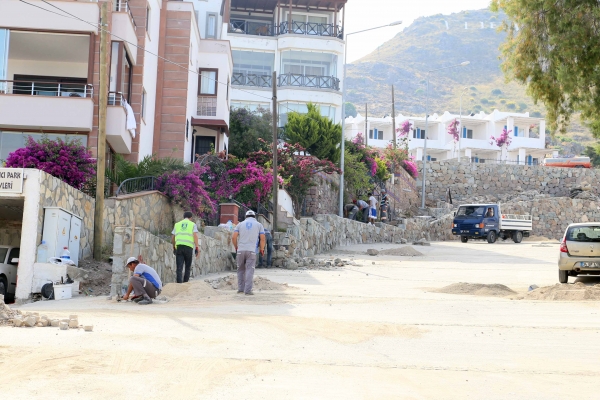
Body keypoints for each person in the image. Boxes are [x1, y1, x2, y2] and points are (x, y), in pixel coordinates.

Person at [232, 210, 266, 295]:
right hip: (251, 251)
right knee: (249, 270)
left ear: (246, 216)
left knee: (240, 269)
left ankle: (240, 289)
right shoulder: (259, 225)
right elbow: (262, 239)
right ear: (254, 217)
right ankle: (247, 290)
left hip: (240, 250)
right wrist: (262, 249)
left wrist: (236, 247)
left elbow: (234, 237)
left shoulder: (240, 224)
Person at [171, 211, 200, 283]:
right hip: (188, 248)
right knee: (187, 266)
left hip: (179, 247)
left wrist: (174, 247)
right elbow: (195, 236)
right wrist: (197, 247)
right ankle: (185, 283)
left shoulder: (177, 224)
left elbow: (173, 237)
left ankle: (179, 284)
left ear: (184, 217)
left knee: (179, 267)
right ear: (191, 218)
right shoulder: (192, 224)